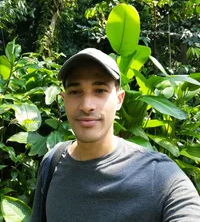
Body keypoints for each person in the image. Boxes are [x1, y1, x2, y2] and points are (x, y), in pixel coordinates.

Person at [31, 48, 200, 222]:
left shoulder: (161, 176)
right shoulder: (53, 162)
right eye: (75, 92)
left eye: (100, 90)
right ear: (63, 99)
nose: (86, 105)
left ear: (119, 99)